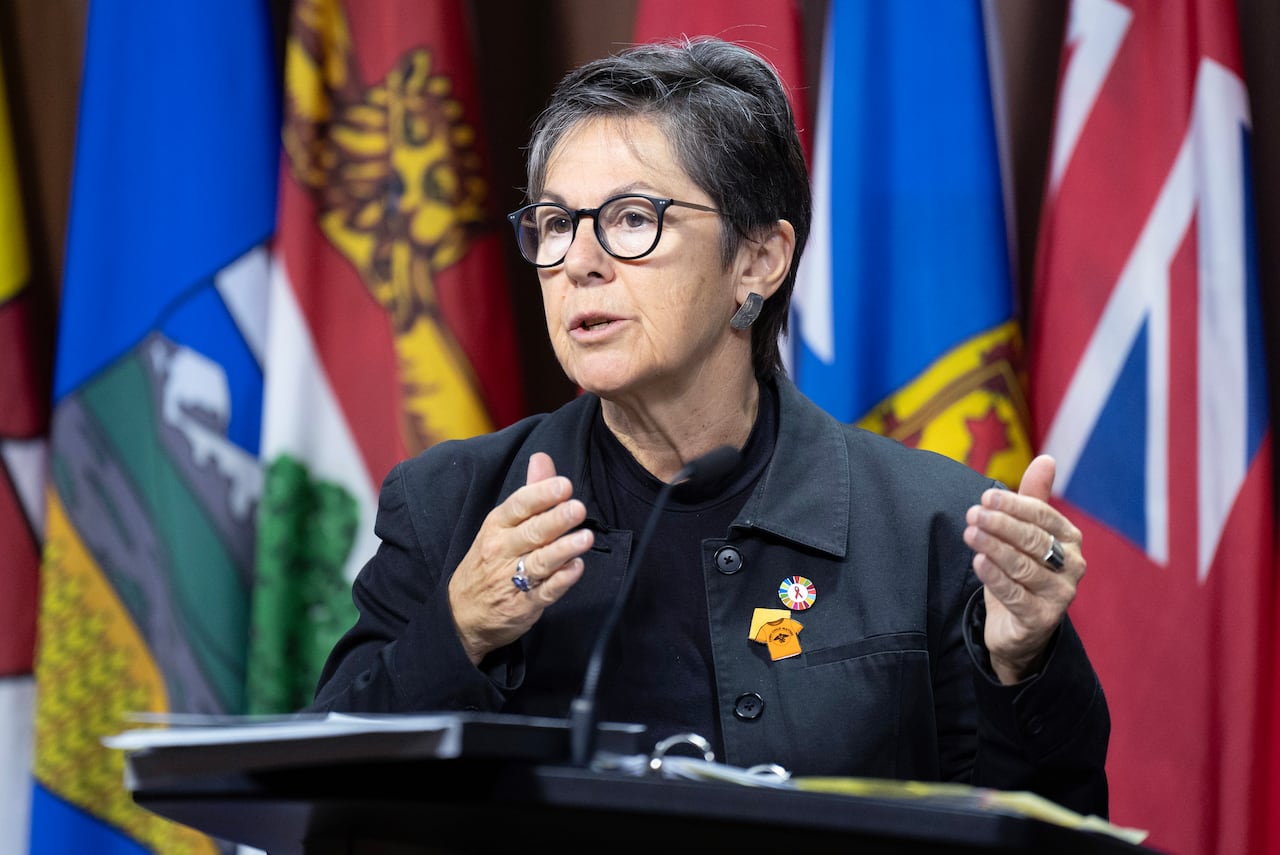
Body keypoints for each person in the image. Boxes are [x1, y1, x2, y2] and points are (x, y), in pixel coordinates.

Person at [310, 36, 1109, 817]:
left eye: (630, 218)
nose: (579, 260)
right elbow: (317, 800)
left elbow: (1043, 823)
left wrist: (1021, 663)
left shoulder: (932, 527)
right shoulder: (452, 504)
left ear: (758, 260)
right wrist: (460, 630)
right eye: (554, 223)